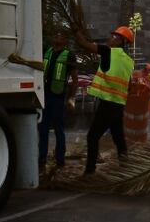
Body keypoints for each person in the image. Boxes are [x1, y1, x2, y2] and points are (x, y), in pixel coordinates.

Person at [74, 25, 135, 175]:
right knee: (118, 138)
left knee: (92, 136)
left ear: (120, 41)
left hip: (108, 103)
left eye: (113, 36)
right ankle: (125, 168)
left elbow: (85, 45)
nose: (110, 38)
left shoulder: (107, 51)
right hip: (118, 104)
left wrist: (76, 31)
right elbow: (129, 85)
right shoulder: (128, 60)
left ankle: (90, 171)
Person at [38, 33, 77, 170]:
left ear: (65, 40)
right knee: (43, 129)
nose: (57, 37)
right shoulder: (47, 51)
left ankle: (60, 160)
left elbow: (74, 79)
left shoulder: (69, 55)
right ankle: (41, 159)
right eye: (56, 35)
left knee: (59, 130)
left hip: (58, 97)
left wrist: (71, 98)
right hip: (45, 96)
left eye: (61, 36)